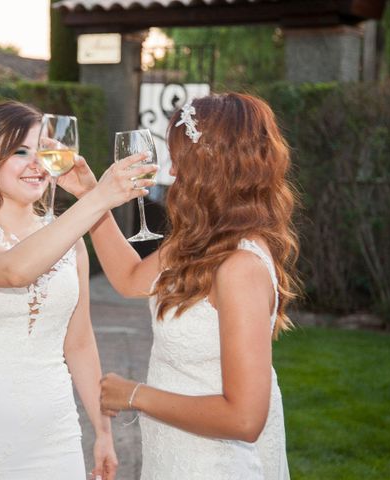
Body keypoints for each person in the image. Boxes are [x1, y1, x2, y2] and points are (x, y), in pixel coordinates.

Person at [62, 93, 299, 479]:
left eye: (178, 155)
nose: (170, 169)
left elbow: (244, 418)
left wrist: (134, 395)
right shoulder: (201, 241)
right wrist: (92, 197)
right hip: (174, 452)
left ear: (212, 164)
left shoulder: (240, 265)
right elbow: (129, 279)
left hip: (217, 463)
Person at [0, 100, 157, 480]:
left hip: (53, 433)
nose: (36, 163)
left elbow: (79, 342)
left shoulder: (72, 243)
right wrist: (97, 198)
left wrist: (102, 431)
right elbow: (14, 270)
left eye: (43, 151)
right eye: (19, 152)